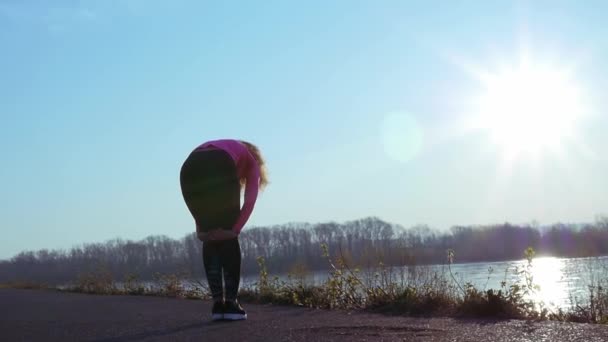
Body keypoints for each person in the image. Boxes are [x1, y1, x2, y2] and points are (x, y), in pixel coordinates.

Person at [179, 139, 268, 321]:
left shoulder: (228, 148)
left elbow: (199, 206)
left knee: (210, 235)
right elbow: (249, 202)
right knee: (225, 233)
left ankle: (218, 305)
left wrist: (201, 227)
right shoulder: (251, 161)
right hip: (219, 162)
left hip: (189, 167)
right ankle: (231, 305)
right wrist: (234, 230)